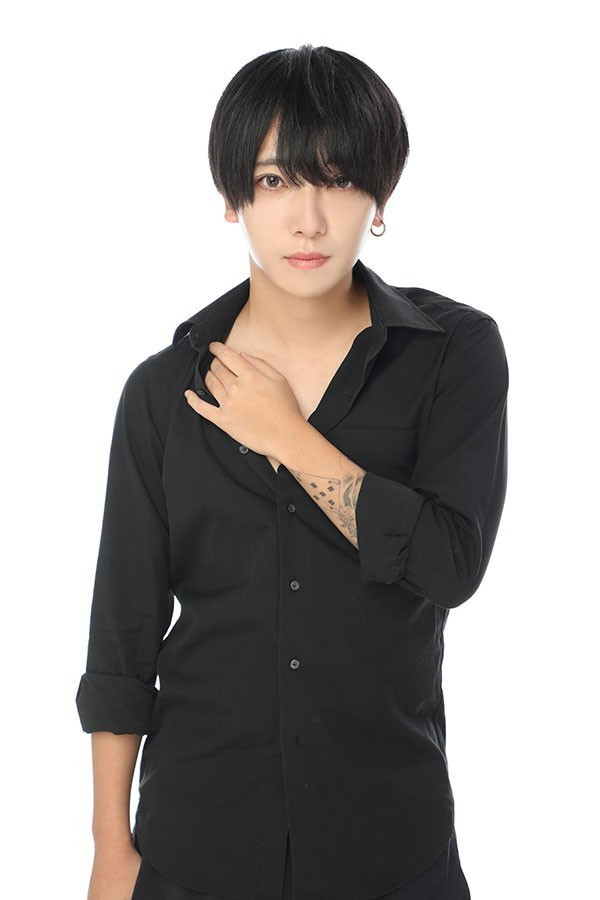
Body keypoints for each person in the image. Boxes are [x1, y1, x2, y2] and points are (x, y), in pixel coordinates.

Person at [77, 44, 509, 900]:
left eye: (338, 180)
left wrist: (289, 438)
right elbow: (123, 634)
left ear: (379, 195)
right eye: (275, 181)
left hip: (391, 850)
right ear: (233, 196)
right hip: (195, 849)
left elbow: (450, 565)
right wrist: (109, 846)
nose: (308, 220)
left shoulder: (452, 353)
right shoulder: (163, 392)